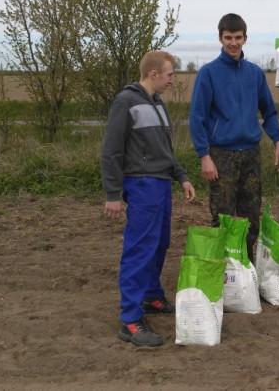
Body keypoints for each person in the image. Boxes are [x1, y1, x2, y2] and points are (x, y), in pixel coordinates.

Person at [101, 50, 196, 348]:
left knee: (160, 243)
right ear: (154, 74)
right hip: (141, 185)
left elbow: (165, 150)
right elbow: (111, 150)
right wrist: (113, 194)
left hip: (162, 183)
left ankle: (151, 296)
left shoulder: (157, 104)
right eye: (169, 74)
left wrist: (181, 176)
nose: (172, 79)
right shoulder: (125, 102)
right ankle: (130, 319)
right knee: (140, 249)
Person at [189, 13, 279, 262]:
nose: (233, 43)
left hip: (251, 153)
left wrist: (277, 140)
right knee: (223, 216)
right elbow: (197, 118)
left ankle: (246, 267)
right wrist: (204, 156)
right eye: (228, 37)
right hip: (221, 156)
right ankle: (223, 269)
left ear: (245, 38)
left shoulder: (254, 74)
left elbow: (269, 112)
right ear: (220, 38)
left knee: (251, 215)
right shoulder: (208, 73)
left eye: (238, 37)